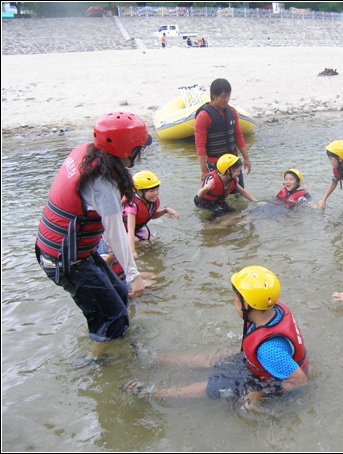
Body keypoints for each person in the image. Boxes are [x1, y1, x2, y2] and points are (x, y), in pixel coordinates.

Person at [35, 112, 152, 360]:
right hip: (66, 261)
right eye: (139, 149)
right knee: (112, 317)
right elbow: (116, 232)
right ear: (127, 150)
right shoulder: (103, 185)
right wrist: (134, 276)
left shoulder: (88, 153)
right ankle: (97, 363)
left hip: (71, 252)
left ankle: (115, 346)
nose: (140, 154)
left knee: (119, 294)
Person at [123, 266, 309, 411]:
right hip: (261, 364)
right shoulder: (273, 308)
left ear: (246, 304)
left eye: (234, 300)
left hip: (264, 377)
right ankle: (155, 358)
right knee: (213, 359)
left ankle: (155, 393)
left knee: (214, 385)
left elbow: (300, 380)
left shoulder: (269, 350)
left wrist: (260, 391)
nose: (233, 303)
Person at [194, 78, 251, 189]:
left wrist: (246, 158)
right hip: (215, 164)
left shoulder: (232, 111)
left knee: (238, 194)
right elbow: (200, 146)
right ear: (214, 95)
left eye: (229, 96)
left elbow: (238, 135)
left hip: (233, 162)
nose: (227, 99)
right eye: (224, 96)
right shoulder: (203, 116)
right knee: (218, 195)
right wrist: (204, 171)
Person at [122, 170, 180, 257]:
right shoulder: (132, 206)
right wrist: (132, 251)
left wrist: (165, 210)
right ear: (140, 192)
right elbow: (130, 229)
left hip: (136, 230)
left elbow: (152, 215)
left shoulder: (150, 202)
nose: (156, 193)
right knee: (145, 244)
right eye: (151, 191)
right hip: (122, 232)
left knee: (153, 240)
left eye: (157, 189)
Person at [194, 154, 259, 214]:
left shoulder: (233, 180)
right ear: (228, 170)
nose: (239, 173)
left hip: (218, 202)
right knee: (221, 214)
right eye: (238, 171)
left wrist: (256, 202)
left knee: (232, 212)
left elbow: (243, 192)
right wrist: (197, 198)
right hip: (206, 203)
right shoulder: (213, 180)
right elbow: (205, 189)